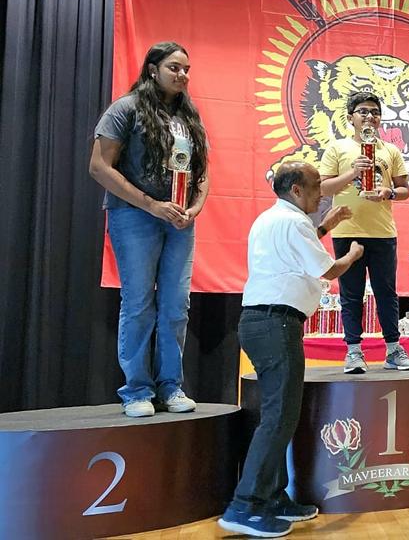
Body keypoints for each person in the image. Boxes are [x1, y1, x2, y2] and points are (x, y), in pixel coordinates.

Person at [218, 161, 362, 538]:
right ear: (296, 190)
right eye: (316, 187)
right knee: (279, 417)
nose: (322, 194)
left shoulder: (272, 219)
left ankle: (273, 498)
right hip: (276, 323)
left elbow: (301, 248)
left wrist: (326, 226)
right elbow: (327, 269)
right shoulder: (294, 222)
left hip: (261, 321)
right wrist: (353, 255)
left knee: (278, 415)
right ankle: (245, 506)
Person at [89, 41, 208, 418]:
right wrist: (152, 205)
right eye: (174, 67)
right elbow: (99, 167)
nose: (182, 75)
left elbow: (202, 172)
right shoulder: (126, 108)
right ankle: (137, 391)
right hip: (134, 216)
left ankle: (171, 387)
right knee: (139, 303)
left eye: (186, 69)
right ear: (153, 69)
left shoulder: (189, 114)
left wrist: (194, 208)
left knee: (176, 305)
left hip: (179, 222)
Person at [317, 91, 409, 374]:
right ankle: (353, 351)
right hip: (347, 231)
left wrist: (389, 193)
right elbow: (323, 187)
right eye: (363, 111)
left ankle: (393, 349)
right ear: (351, 118)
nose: (369, 116)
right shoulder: (338, 148)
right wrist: (352, 173)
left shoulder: (390, 151)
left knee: (386, 293)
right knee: (351, 294)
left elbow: (405, 190)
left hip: (382, 232)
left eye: (374, 112)